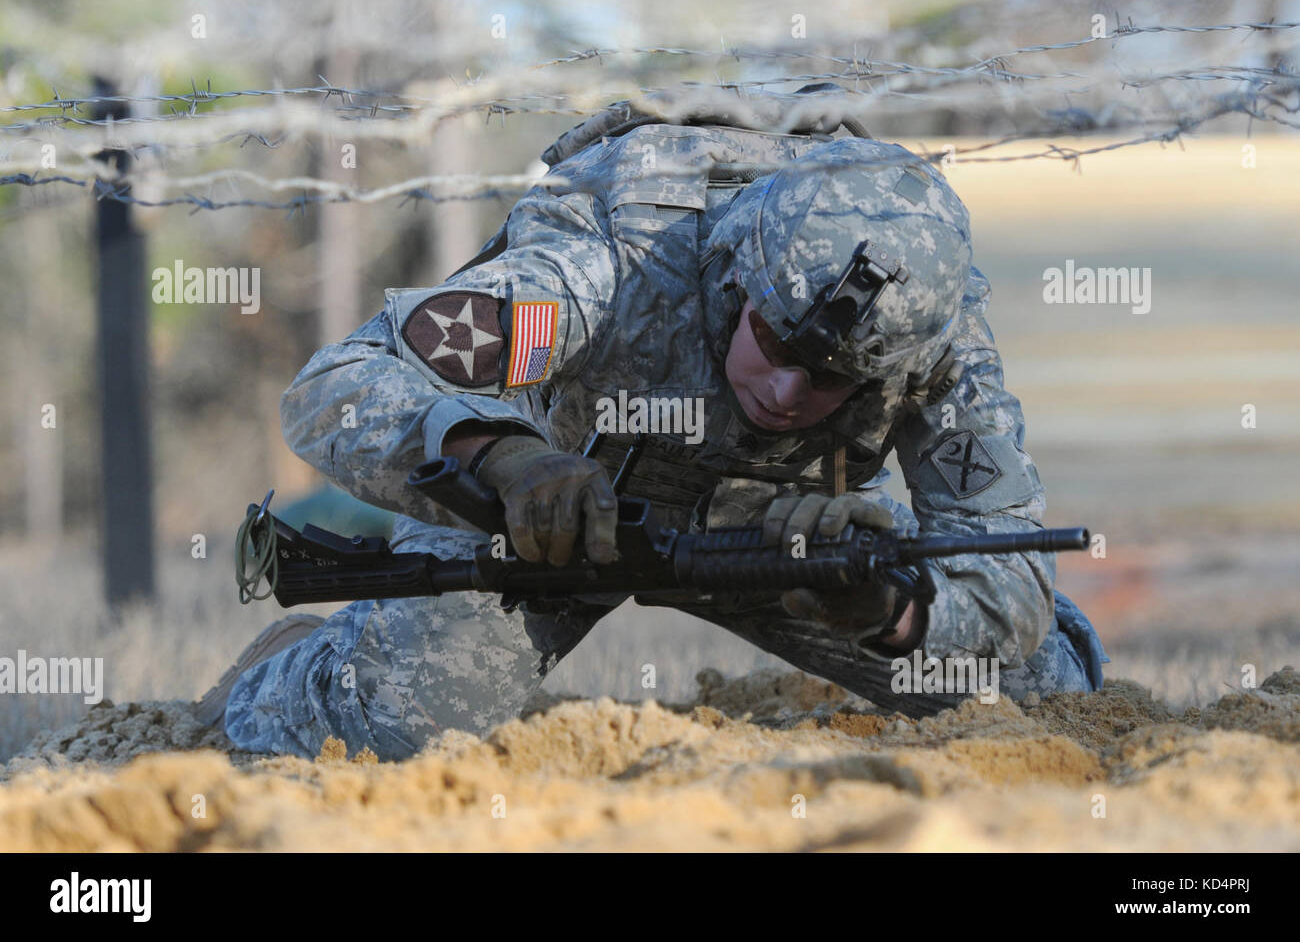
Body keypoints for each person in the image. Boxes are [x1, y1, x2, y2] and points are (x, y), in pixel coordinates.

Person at [198, 88, 1108, 760]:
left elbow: (1005, 582)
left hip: (784, 546)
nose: (790, 392)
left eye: (831, 379)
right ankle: (295, 668)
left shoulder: (932, 332)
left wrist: (889, 610)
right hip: (555, 516)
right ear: (736, 281)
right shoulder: (616, 260)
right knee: (396, 726)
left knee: (1027, 690)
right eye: (775, 344)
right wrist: (503, 457)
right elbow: (338, 384)